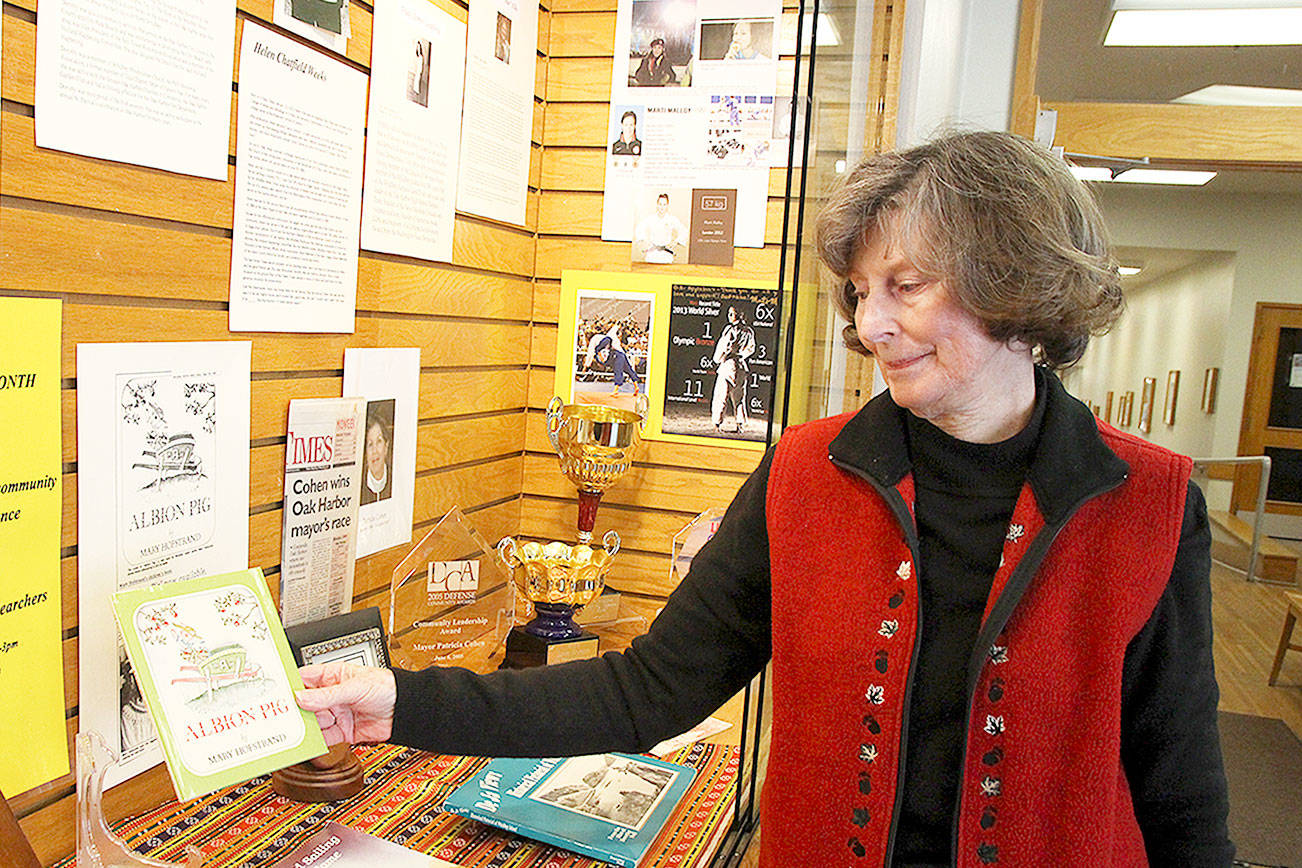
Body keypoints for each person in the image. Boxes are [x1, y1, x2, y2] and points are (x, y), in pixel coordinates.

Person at [296, 131, 1233, 867]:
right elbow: (646, 692)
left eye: (905, 286)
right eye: (860, 292)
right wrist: (399, 702)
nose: (871, 325)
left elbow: (1180, 789)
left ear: (1017, 286)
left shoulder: (1146, 503)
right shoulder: (804, 474)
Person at [711, 306, 756, 433]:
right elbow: (751, 348)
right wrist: (742, 355)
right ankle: (740, 424)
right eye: (729, 313)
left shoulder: (730, 330)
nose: (730, 316)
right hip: (741, 366)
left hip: (728, 366)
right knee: (739, 398)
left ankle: (717, 423)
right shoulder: (749, 331)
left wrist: (719, 359)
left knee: (721, 395)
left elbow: (723, 347)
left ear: (739, 315)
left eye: (732, 313)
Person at [635, 193, 688, 264]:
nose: (662, 207)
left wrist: (676, 241)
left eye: (664, 204)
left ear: (667, 206)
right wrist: (645, 240)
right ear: (657, 205)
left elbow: (683, 231)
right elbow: (639, 228)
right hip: (652, 253)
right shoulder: (651, 218)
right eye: (660, 204)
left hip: (666, 254)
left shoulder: (671, 219)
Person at [360, 411, 392, 505]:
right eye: (370, 445)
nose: (375, 451)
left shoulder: (396, 479)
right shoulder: (358, 485)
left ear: (386, 446)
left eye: (379, 442)